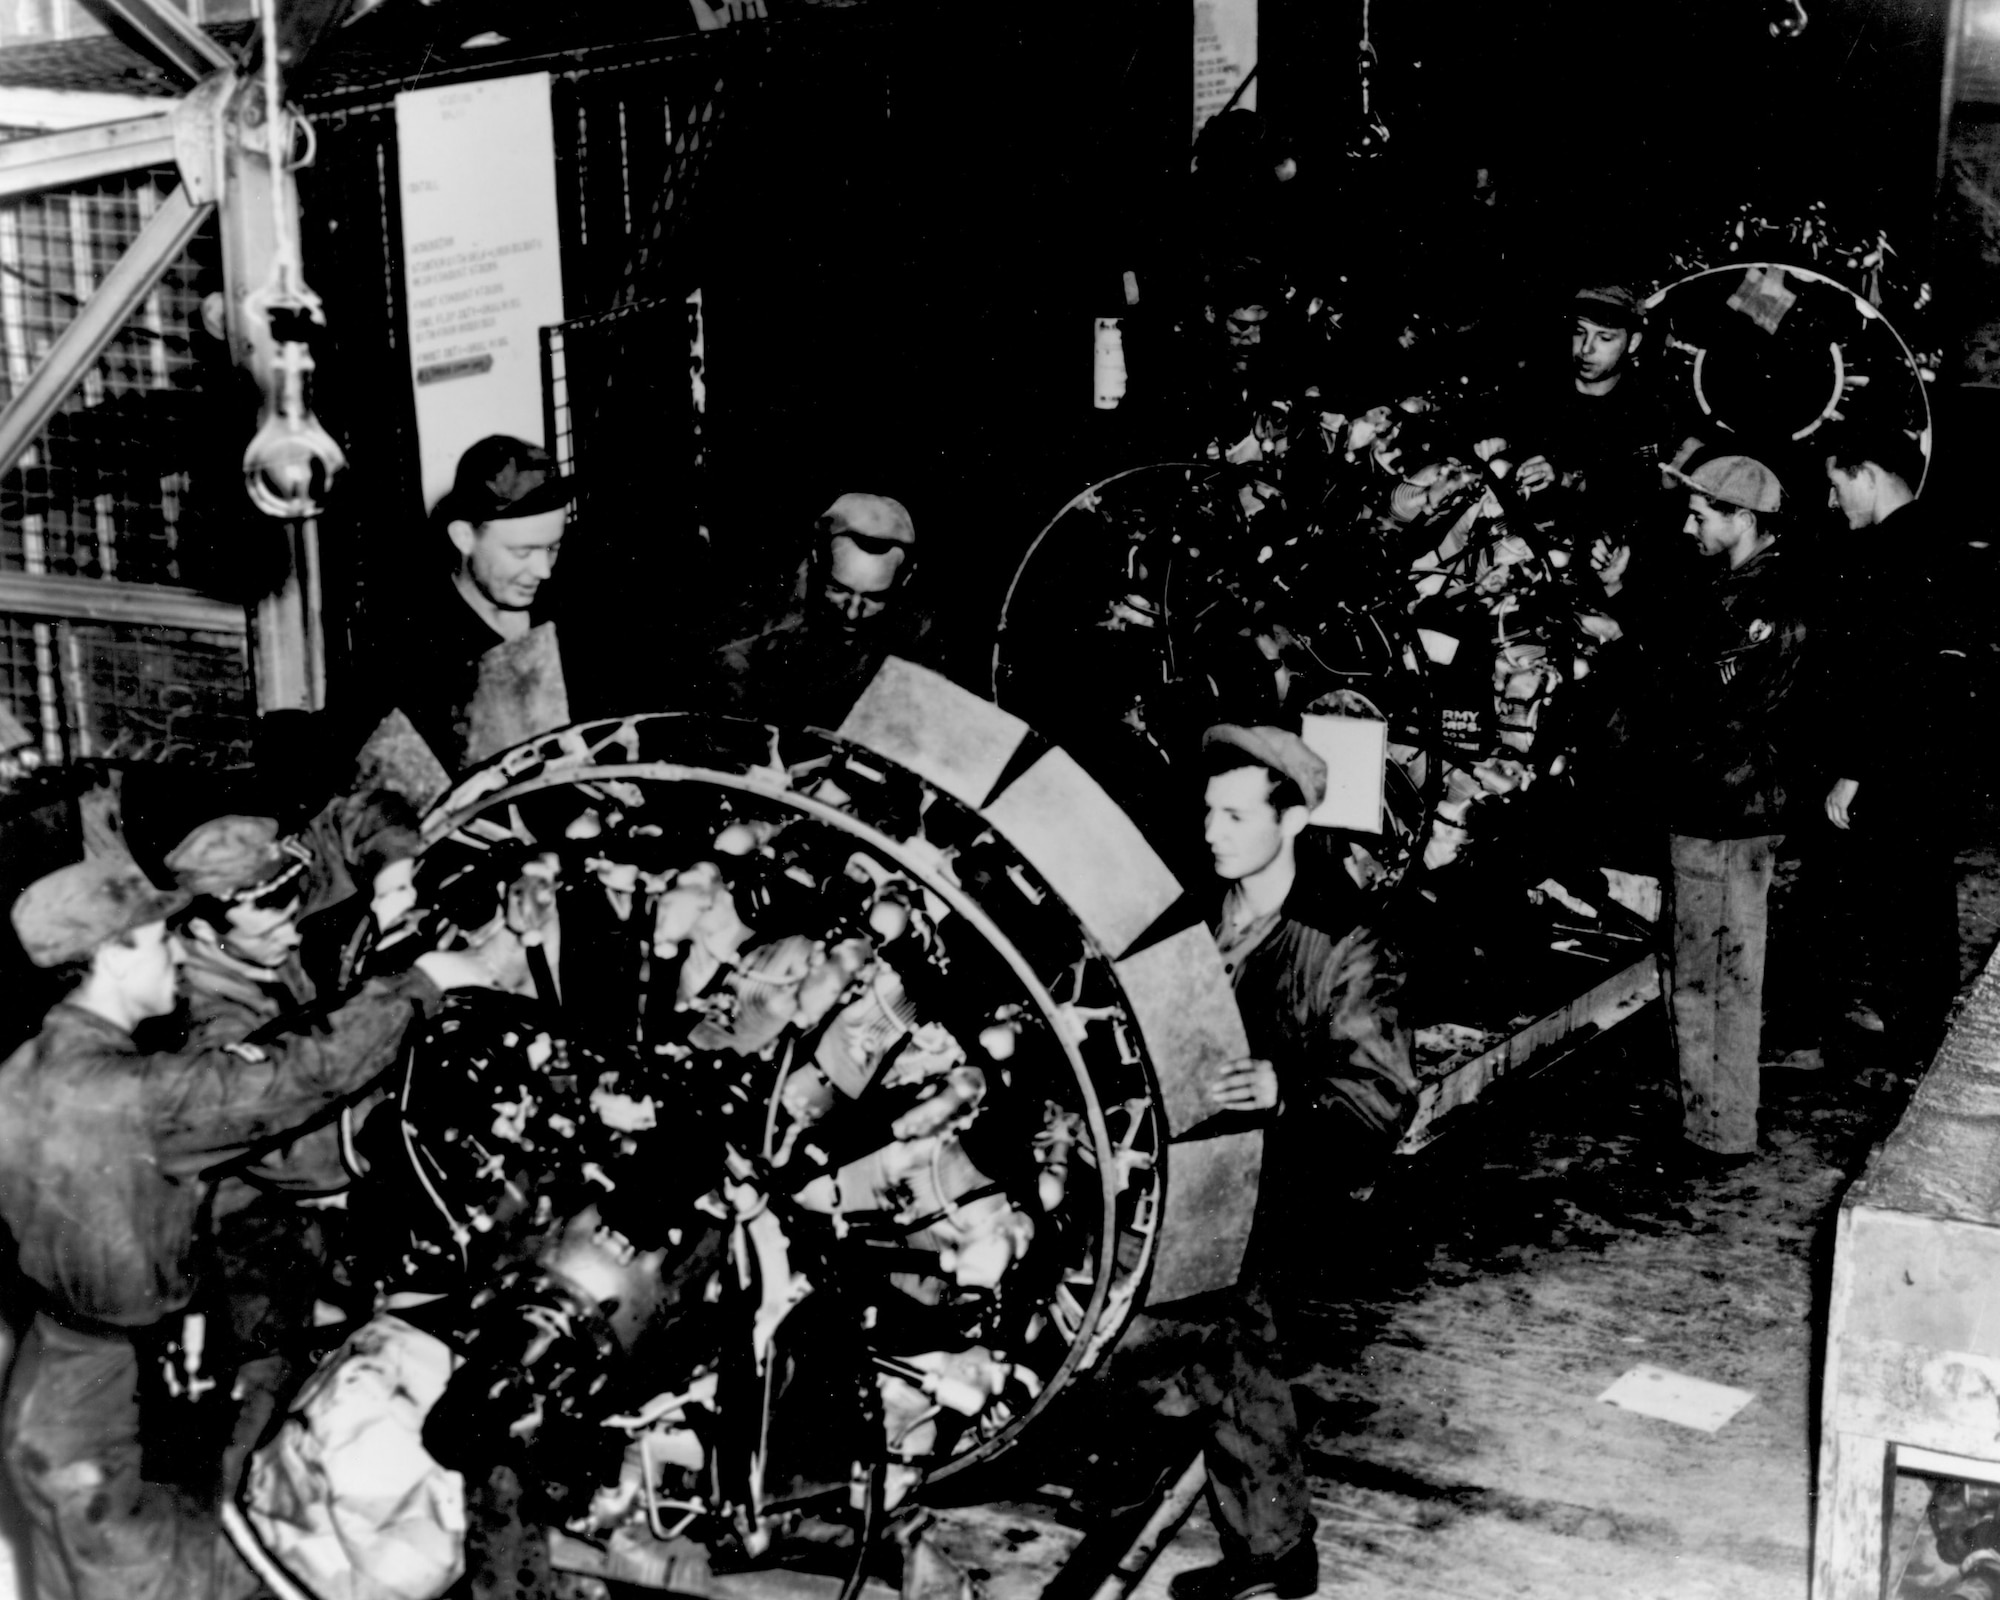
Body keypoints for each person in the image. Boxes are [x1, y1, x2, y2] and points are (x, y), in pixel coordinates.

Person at [0, 850, 496, 1600]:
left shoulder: (22, 1071)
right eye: (160, 935)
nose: (178, 949)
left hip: (58, 1372)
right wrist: (424, 986)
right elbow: (296, 1080)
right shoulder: (133, 1095)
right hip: (100, 1419)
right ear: (110, 953)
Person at [1106, 725, 1415, 1600]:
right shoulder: (1195, 912)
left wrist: (1285, 1089)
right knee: (1203, 1336)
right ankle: (1266, 1542)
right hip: (1192, 1165)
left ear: (1293, 822)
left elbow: (1378, 1097)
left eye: (1235, 815)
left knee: (1227, 1324)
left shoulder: (1344, 938)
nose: (1212, 830)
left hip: (1299, 1175)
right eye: (1208, 810)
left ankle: (1270, 1548)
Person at [1657, 451, 1806, 1169]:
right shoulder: (1736, 589)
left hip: (1727, 807)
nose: (1689, 525)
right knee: (1707, 972)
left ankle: (1720, 1131)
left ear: (1742, 519)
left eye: (1700, 514)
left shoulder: (1764, 605)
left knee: (1716, 976)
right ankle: (1709, 1122)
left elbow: (1712, 707)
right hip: (1722, 800)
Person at [1810, 429, 1960, 1056]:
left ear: (1867, 473)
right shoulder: (1932, 537)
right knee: (1920, 892)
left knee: (1901, 896)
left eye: (1837, 483)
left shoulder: (1894, 554)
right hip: (1926, 754)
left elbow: (1893, 676)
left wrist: (1854, 768)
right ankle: (1920, 1017)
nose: (1832, 499)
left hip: (1896, 757)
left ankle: (1913, 1029)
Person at [362, 434, 572, 771]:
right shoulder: (411, 646)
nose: (543, 571)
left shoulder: (570, 609)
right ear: (463, 536)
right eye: (523, 552)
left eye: (552, 548)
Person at [712, 492, 935, 727]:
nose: (852, 613)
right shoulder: (758, 623)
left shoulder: (917, 633)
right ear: (817, 558)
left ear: (906, 579)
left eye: (874, 598)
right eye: (838, 590)